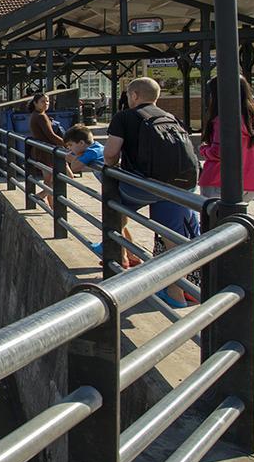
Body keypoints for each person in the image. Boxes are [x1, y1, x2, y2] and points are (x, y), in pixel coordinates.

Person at [103, 77, 200, 306]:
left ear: (134, 95)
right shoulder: (170, 117)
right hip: (178, 186)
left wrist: (110, 166)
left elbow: (110, 154)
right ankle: (177, 295)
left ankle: (115, 247)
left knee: (112, 205)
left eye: (128, 94)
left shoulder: (124, 116)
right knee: (172, 240)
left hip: (145, 186)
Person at [61, 124, 136, 265]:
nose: (69, 149)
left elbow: (75, 167)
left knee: (117, 223)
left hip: (117, 190)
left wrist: (74, 157)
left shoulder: (91, 152)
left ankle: (120, 257)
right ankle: (131, 256)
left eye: (70, 145)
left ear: (82, 143)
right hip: (117, 189)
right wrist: (77, 155)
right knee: (121, 223)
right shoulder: (97, 148)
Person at [197, 75, 254, 201]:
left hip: (219, 179)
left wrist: (203, 150)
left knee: (214, 218)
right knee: (236, 218)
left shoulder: (223, 119)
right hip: (252, 181)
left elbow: (219, 152)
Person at [27, 92, 64, 210]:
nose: (46, 104)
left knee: (48, 180)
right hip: (47, 152)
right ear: (35, 103)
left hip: (41, 151)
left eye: (47, 101)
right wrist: (66, 144)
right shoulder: (41, 116)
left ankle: (53, 207)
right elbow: (51, 135)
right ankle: (41, 195)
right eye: (43, 101)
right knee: (64, 177)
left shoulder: (35, 115)